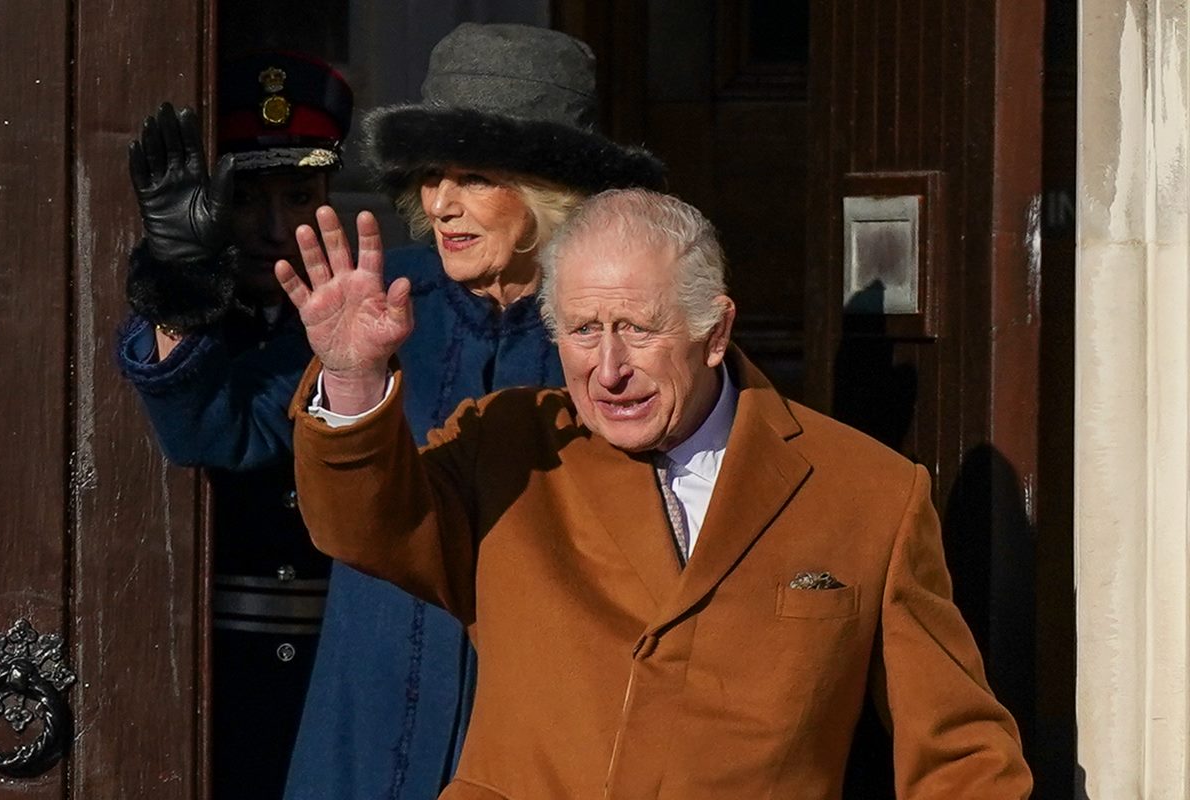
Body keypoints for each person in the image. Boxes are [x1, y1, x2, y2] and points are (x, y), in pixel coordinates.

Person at [278, 188, 1034, 799]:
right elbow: (365, 526)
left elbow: (961, 757)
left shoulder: (867, 492)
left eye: (638, 330)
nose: (608, 369)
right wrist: (351, 377)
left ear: (715, 330)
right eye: (581, 331)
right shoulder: (506, 448)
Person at [118, 25, 665, 800]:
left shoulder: (628, 329)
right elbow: (216, 426)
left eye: (472, 176)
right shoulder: (377, 297)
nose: (440, 202)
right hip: (365, 731)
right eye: (429, 174)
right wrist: (176, 286)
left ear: (553, 185)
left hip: (543, 740)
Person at [117, 50, 353, 799]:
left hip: (340, 674)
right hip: (209, 679)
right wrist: (182, 282)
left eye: (299, 194)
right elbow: (202, 429)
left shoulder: (365, 318)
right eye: (247, 197)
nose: (274, 226)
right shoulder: (192, 326)